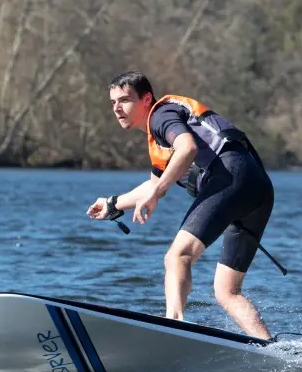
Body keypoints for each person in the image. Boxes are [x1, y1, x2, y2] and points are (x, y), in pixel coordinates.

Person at [87, 71, 275, 339]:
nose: (117, 108)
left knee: (177, 256)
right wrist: (113, 203)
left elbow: (187, 149)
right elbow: (154, 185)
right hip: (256, 187)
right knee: (227, 292)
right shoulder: (158, 139)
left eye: (125, 100)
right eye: (113, 102)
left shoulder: (161, 115)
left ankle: (174, 327)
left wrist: (157, 192)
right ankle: (269, 350)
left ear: (146, 99)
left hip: (232, 177)